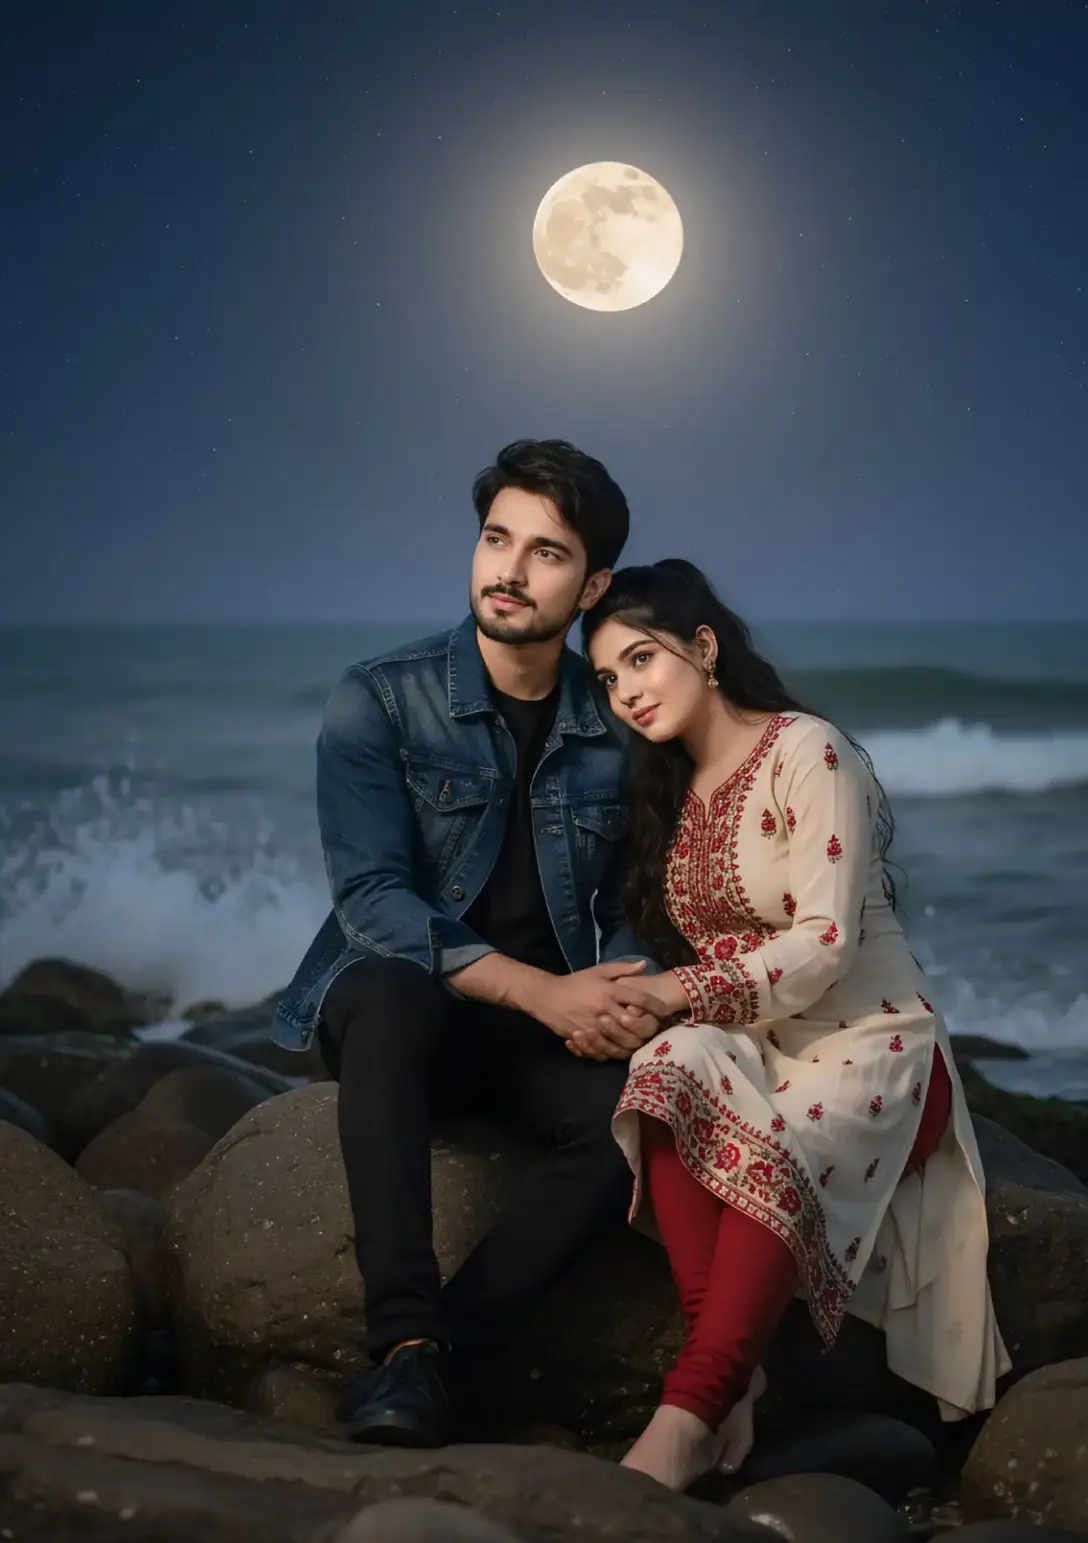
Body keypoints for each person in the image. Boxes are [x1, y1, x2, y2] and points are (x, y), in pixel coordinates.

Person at [578, 558, 1012, 1492]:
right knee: (664, 1066)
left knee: (714, 1063)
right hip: (771, 1056)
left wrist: (670, 990)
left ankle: (688, 1409)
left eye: (642, 660)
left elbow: (821, 945)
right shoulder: (677, 801)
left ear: (704, 647)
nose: (626, 694)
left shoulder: (806, 748)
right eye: (609, 680)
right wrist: (624, 1008)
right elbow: (704, 997)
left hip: (880, 1050)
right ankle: (731, 1377)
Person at [271, 440, 670, 1447]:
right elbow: (372, 901)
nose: (509, 569)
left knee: (642, 1113)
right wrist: (544, 994)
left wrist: (625, 996)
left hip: (541, 1040)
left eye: (547, 552)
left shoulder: (620, 730)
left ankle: (439, 1358)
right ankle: (401, 1339)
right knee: (398, 993)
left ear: (593, 585)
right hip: (400, 1014)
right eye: (497, 539)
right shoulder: (379, 698)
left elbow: (637, 899)